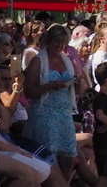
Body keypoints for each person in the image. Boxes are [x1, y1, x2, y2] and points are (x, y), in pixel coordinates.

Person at [22, 25, 79, 177]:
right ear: (48, 41)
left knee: (69, 157)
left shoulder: (67, 60)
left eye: (63, 43)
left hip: (65, 113)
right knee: (48, 157)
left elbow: (78, 90)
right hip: (45, 113)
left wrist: (77, 81)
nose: (59, 46)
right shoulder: (38, 61)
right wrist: (49, 86)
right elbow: (29, 92)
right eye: (56, 42)